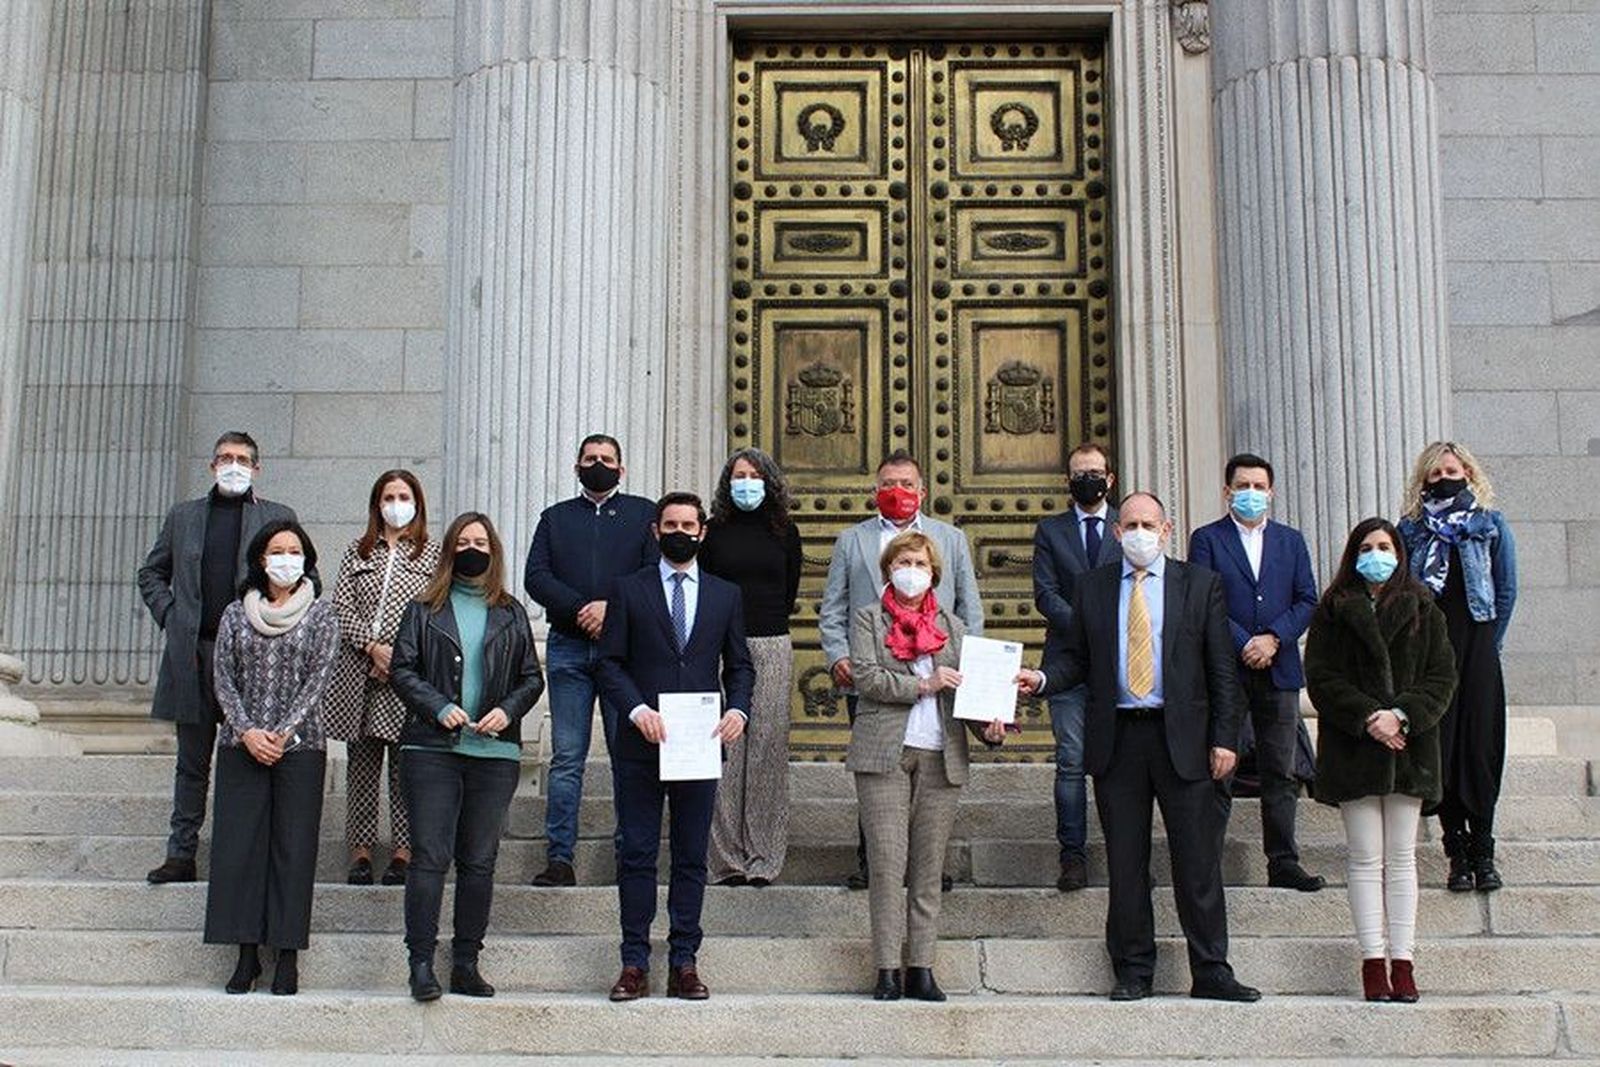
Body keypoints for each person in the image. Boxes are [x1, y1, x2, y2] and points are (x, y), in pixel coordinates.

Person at [1017, 492, 1258, 1003]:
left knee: (1197, 863)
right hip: (1119, 741)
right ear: (1116, 532)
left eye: (1150, 523)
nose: (1140, 532)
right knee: (1126, 864)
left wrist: (1225, 739)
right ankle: (1133, 970)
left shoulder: (1200, 585)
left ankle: (1212, 969)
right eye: (1130, 524)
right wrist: (1040, 679)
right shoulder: (1092, 588)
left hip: (1186, 740)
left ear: (1167, 529)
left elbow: (1222, 670)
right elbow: (1076, 662)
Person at [595, 492, 755, 1002]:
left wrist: (739, 710)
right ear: (656, 531)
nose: (680, 531)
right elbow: (609, 663)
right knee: (638, 853)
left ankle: (684, 959)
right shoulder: (628, 589)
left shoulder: (726, 595)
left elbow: (741, 665)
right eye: (671, 524)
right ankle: (634, 962)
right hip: (642, 741)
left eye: (689, 524)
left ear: (702, 531)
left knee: (690, 856)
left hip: (700, 742)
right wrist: (636, 709)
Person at [138, 431, 316, 885]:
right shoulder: (185, 517)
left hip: (254, 656)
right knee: (192, 760)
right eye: (224, 458)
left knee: (245, 758)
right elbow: (152, 572)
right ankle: (181, 853)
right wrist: (172, 615)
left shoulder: (278, 516)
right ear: (212, 465)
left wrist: (280, 617)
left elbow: (306, 576)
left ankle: (238, 856)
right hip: (196, 652)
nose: (233, 465)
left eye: (242, 459)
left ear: (257, 468)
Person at [390, 512, 546, 1002]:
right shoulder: (423, 608)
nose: (472, 548)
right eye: (463, 541)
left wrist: (507, 710)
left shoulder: (512, 611)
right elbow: (402, 668)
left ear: (493, 550)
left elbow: (530, 677)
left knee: (479, 860)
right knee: (431, 856)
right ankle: (420, 963)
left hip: (493, 752)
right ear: (450, 549)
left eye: (480, 541)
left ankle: (465, 962)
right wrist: (439, 707)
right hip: (431, 748)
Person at [849, 531, 1008, 1002]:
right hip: (885, 754)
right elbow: (866, 677)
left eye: (919, 562)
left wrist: (991, 729)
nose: (911, 570)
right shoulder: (867, 619)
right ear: (888, 570)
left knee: (927, 870)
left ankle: (921, 966)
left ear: (933, 571)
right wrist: (923, 684)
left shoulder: (954, 627)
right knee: (886, 864)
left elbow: (968, 693)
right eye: (902, 562)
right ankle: (886, 970)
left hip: (941, 756)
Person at [1305, 518, 1456, 1003]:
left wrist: (1402, 716)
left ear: (1399, 552)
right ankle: (1373, 960)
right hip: (1355, 749)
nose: (1376, 554)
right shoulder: (1332, 610)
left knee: (1402, 858)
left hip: (1410, 750)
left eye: (1385, 546)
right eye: (1367, 546)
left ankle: (1404, 960)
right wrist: (1370, 716)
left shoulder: (1424, 608)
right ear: (1354, 553)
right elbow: (1321, 678)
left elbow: (1441, 676)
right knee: (1366, 857)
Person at [819, 450, 983, 890]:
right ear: (875, 491)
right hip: (873, 680)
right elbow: (832, 609)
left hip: (939, 677)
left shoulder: (950, 540)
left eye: (907, 484)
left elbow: (970, 609)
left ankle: (930, 867)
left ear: (923, 490)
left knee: (934, 773)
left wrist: (974, 674)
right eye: (889, 483)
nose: (899, 491)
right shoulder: (851, 541)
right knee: (876, 769)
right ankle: (873, 863)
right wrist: (838, 656)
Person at [204, 519, 338, 997]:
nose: (286, 558)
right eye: (277, 550)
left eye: (295, 550)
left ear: (307, 559)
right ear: (261, 559)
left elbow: (319, 678)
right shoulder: (236, 614)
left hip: (301, 747)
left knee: (292, 851)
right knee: (241, 849)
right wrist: (247, 731)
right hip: (242, 746)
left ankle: (286, 957)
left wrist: (282, 733)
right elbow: (223, 676)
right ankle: (244, 955)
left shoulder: (321, 615)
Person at [524, 433, 659, 887]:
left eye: (606, 459)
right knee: (567, 758)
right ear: (576, 466)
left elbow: (653, 572)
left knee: (628, 757)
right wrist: (582, 607)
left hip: (624, 652)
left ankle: (630, 855)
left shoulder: (644, 515)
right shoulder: (555, 518)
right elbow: (536, 576)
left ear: (621, 470)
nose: (597, 465)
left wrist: (611, 609)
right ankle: (560, 856)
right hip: (568, 648)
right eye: (589, 458)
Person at [1188, 453, 1323, 892]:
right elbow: (1203, 596)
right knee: (1220, 767)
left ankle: (1282, 861)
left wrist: (1274, 639)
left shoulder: (1291, 541)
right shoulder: (1207, 539)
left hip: (1279, 668)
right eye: (1241, 486)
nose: (1250, 493)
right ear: (1227, 491)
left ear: (1271, 491)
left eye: (1258, 486)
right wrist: (1244, 640)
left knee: (1280, 770)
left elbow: (1307, 599)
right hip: (1227, 669)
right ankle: (1206, 862)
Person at [1397, 441, 1517, 892]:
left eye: (1452, 469)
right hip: (1431, 653)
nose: (1445, 477)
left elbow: (1505, 590)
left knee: (1480, 747)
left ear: (1468, 472)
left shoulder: (1490, 524)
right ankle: (1456, 850)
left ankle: (1484, 849)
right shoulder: (1409, 531)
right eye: (1435, 473)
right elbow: (1400, 593)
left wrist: (1491, 643)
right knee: (1442, 749)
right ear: (1424, 481)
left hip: (1478, 646)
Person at [326, 469, 440, 887]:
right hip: (360, 669)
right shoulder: (358, 550)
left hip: (407, 673)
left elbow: (433, 609)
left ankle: (403, 852)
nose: (396, 503)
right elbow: (340, 605)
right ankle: (359, 851)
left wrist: (399, 657)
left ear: (417, 502)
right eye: (389, 496)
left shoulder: (430, 553)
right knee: (362, 764)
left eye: (404, 495)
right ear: (377, 503)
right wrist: (372, 647)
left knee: (404, 765)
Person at [699, 448, 803, 887]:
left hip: (771, 643)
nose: (746, 482)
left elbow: (790, 587)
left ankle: (763, 856)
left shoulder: (785, 531)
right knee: (726, 749)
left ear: (769, 481)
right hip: (721, 647)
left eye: (755, 475)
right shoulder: (713, 532)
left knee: (766, 749)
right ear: (728, 482)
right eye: (739, 475)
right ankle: (725, 859)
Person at [1032, 441, 1122, 891]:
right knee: (1070, 761)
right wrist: (1087, 625)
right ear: (1068, 480)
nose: (1086, 479)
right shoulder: (1051, 530)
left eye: (1094, 472)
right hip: (1066, 658)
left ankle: (1124, 850)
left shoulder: (1128, 528)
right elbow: (1045, 593)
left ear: (1110, 479)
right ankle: (1073, 855)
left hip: (1121, 665)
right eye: (1077, 472)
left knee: (1116, 761)